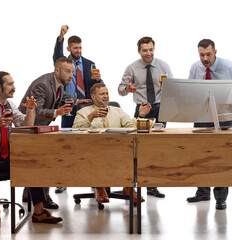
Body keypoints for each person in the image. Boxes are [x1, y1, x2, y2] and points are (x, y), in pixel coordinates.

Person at [0, 71, 63, 230]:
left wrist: (31, 109)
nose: (14, 87)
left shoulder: (9, 106)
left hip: (3, 156)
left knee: (31, 162)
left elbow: (25, 125)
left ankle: (39, 211)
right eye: (10, 84)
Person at [186, 39, 232, 210]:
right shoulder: (195, 68)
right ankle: (203, 192)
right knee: (200, 155)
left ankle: (220, 198)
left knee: (220, 157)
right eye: (201, 55)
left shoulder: (228, 67)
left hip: (223, 117)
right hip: (201, 116)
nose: (205, 58)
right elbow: (189, 89)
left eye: (208, 54)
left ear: (215, 52)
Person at [18, 57, 89, 208]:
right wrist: (57, 112)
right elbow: (36, 111)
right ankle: (44, 198)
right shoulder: (42, 85)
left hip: (41, 127)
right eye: (68, 71)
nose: (71, 75)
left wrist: (76, 101)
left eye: (72, 72)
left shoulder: (58, 82)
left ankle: (29, 194)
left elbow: (62, 96)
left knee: (43, 161)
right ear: (57, 71)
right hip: (29, 127)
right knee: (46, 161)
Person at [73, 83, 151, 203]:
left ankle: (128, 187)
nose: (106, 96)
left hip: (118, 148)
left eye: (107, 93)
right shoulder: (84, 112)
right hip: (94, 150)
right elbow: (75, 130)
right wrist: (91, 117)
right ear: (93, 97)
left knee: (135, 153)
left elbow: (131, 127)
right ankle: (99, 187)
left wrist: (139, 115)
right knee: (98, 155)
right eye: (102, 94)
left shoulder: (118, 111)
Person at [117, 36, 172, 198]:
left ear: (154, 49)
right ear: (139, 51)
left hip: (160, 108)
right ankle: (132, 185)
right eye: (144, 50)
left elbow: (173, 87)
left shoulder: (163, 66)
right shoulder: (132, 68)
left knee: (156, 149)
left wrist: (168, 88)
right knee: (137, 149)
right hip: (141, 110)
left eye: (150, 50)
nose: (148, 53)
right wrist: (127, 88)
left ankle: (152, 186)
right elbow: (120, 90)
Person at [52, 25, 101, 194]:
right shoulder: (63, 63)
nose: (78, 50)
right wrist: (60, 37)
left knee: (89, 146)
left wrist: (99, 78)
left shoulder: (89, 64)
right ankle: (62, 181)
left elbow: (97, 87)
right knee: (66, 145)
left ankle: (95, 182)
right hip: (68, 108)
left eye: (80, 48)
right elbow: (56, 55)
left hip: (87, 109)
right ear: (69, 48)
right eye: (75, 48)